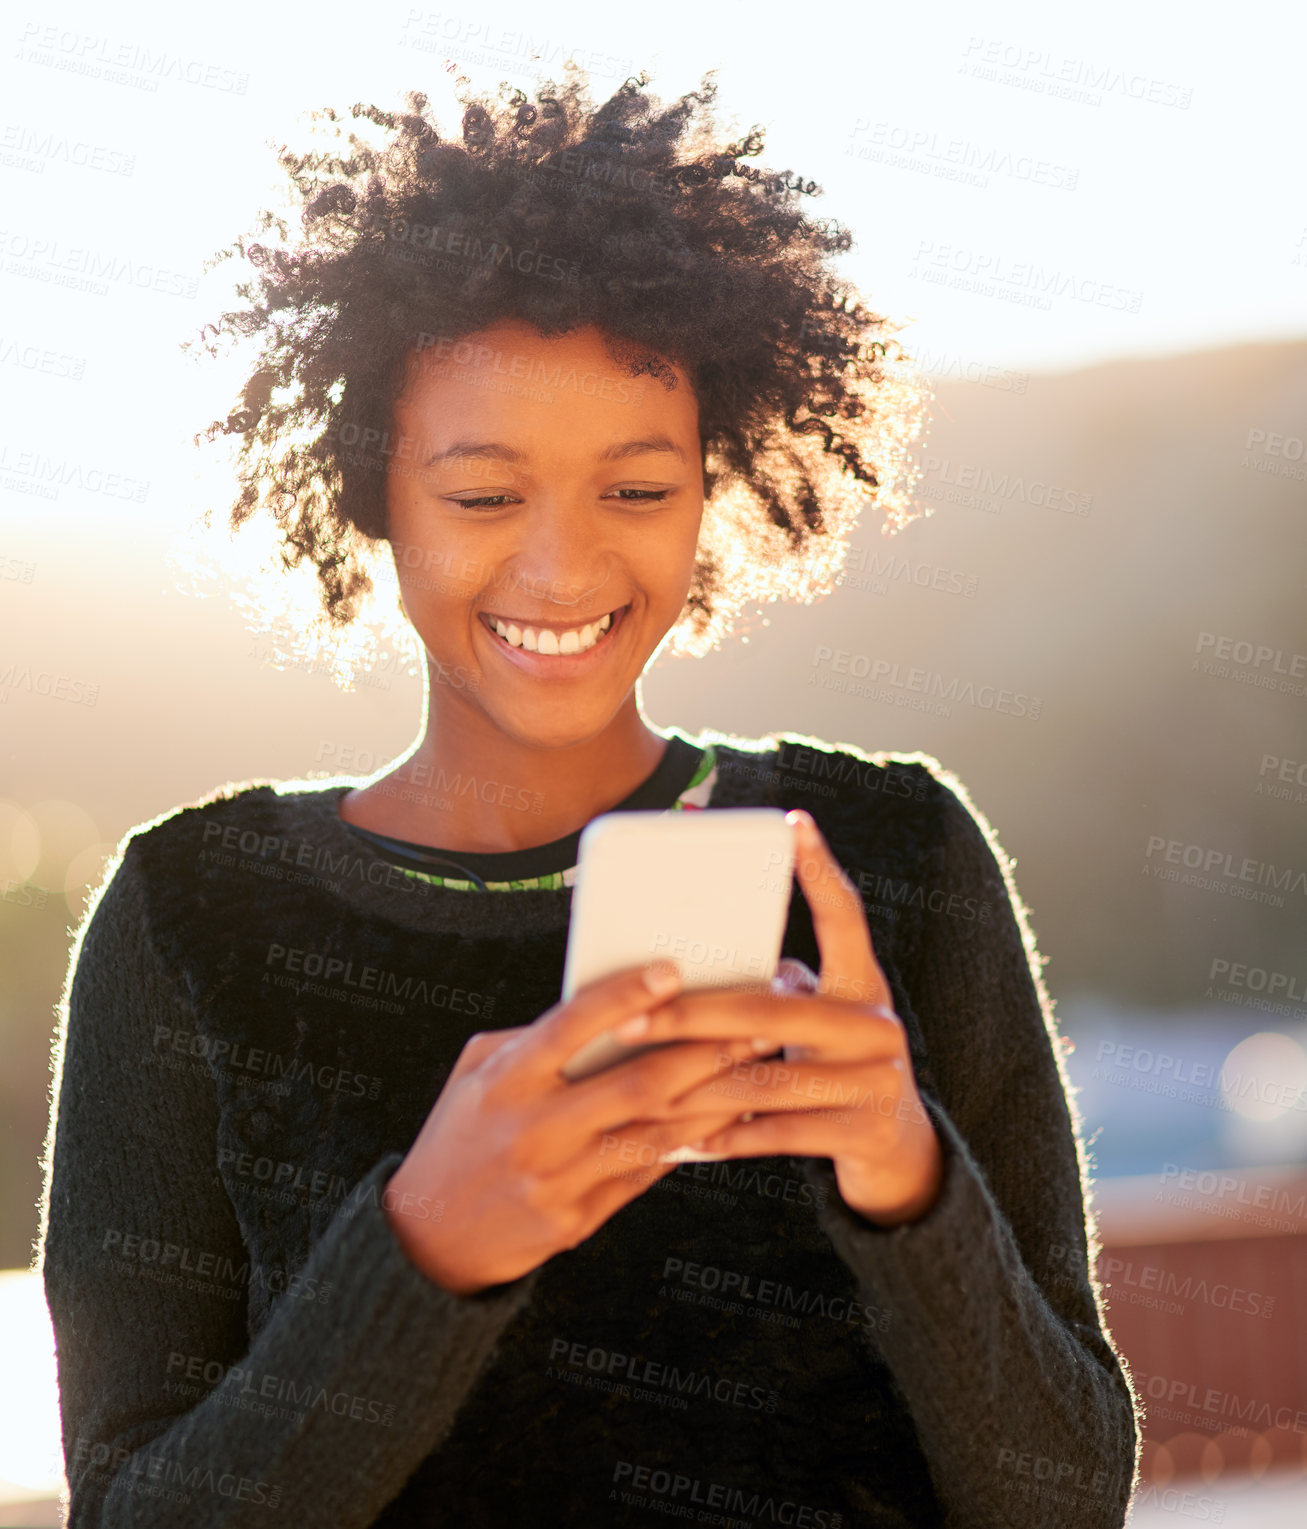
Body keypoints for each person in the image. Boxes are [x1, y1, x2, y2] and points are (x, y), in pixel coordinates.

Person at [38, 68, 1142, 1526]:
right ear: (373, 492)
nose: (562, 572)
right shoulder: (195, 916)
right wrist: (426, 1247)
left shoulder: (894, 860)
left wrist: (905, 1175)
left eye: (637, 490)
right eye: (485, 496)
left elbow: (1066, 1499)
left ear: (711, 481)